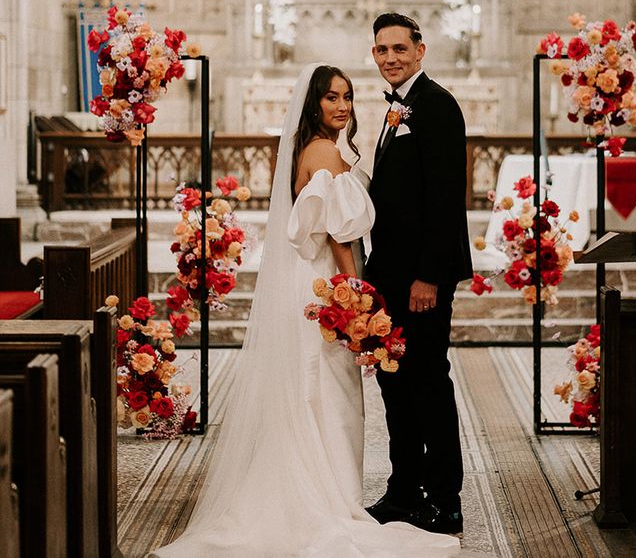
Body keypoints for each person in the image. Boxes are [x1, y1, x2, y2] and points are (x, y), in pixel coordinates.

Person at [151, 63, 460, 557]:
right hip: (329, 283)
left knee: (312, 386)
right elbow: (339, 232)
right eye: (332, 98)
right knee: (328, 387)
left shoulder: (313, 148)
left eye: (348, 97)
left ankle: (321, 489)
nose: (343, 106)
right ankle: (330, 499)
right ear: (313, 103)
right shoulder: (322, 153)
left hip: (311, 280)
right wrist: (354, 294)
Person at [365, 14, 473, 536]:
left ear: (421, 50)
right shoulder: (395, 108)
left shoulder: (437, 106)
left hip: (421, 281)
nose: (391, 57)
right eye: (382, 50)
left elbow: (446, 198)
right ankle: (404, 489)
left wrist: (429, 276)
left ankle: (446, 497)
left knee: (429, 383)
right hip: (389, 275)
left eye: (400, 48)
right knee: (394, 384)